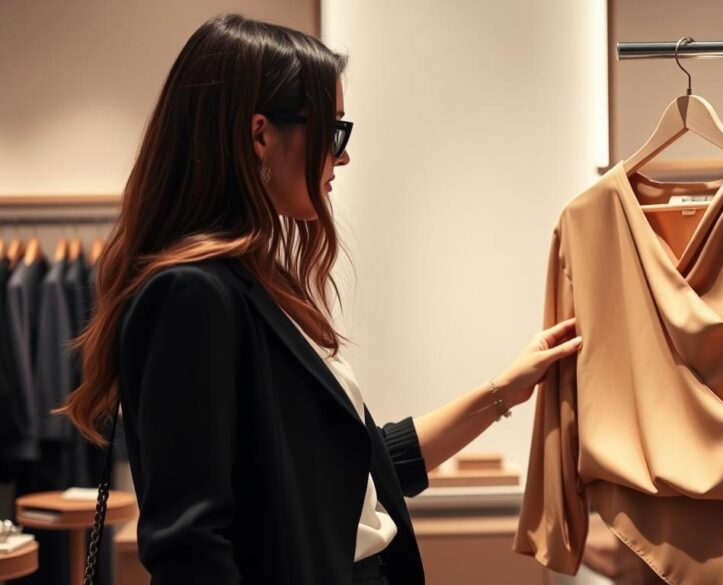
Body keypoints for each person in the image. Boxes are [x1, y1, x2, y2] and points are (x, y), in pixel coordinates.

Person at [53, 13, 581, 585]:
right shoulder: (192, 296)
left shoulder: (247, 285)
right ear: (260, 135)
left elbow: (355, 468)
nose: (343, 157)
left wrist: (505, 389)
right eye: (333, 134)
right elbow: (190, 549)